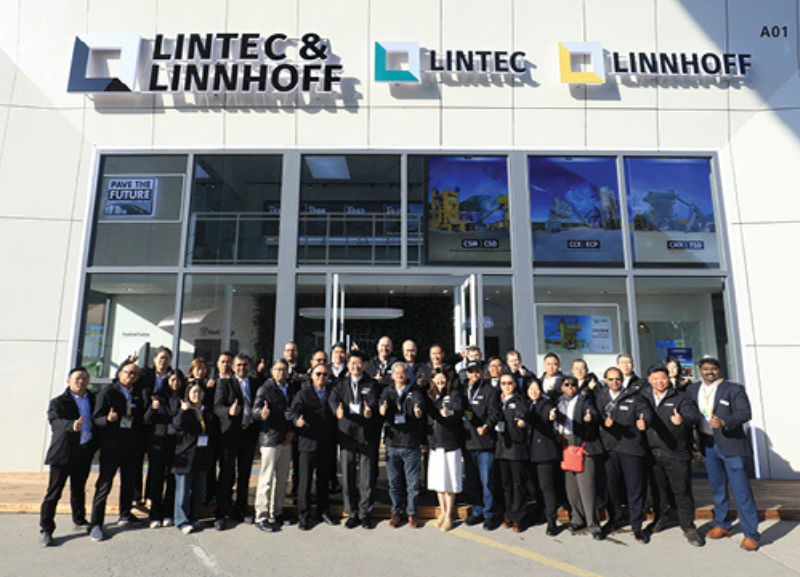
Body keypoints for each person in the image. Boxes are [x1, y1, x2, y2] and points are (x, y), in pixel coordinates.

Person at [686, 357, 760, 551]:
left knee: (741, 490)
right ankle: (723, 524)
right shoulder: (693, 389)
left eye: (713, 368)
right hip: (708, 445)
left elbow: (745, 413)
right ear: (700, 371)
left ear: (719, 370)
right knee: (717, 487)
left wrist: (724, 422)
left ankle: (751, 534)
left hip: (731, 445)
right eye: (705, 369)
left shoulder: (734, 389)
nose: (709, 372)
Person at [640, 364, 704, 547]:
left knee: (682, 491)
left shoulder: (681, 397)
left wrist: (682, 420)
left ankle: (688, 527)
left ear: (669, 379)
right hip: (652, 451)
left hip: (676, 452)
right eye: (655, 379)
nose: (659, 382)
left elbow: (694, 416)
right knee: (658, 490)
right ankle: (661, 518)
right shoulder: (643, 396)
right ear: (649, 380)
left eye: (663, 378)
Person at [89, 361, 147, 542]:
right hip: (112, 446)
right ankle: (96, 524)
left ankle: (125, 514)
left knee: (128, 482)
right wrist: (107, 419)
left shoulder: (138, 393)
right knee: (104, 485)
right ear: (120, 373)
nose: (132, 376)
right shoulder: (107, 393)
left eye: (136, 374)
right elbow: (96, 419)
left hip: (131, 446)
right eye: (129, 372)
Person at [39, 367, 98, 546]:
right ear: (68, 381)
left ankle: (79, 520)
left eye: (85, 378)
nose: (81, 381)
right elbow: (55, 421)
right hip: (63, 453)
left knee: (79, 489)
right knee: (54, 493)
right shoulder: (58, 402)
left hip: (84, 451)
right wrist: (71, 425)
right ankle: (46, 529)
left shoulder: (93, 399)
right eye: (78, 378)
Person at [596, 367, 652, 543]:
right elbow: (595, 415)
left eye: (618, 379)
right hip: (609, 448)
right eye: (611, 379)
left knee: (634, 487)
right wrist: (603, 422)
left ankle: (636, 524)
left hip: (631, 448)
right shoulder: (600, 396)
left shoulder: (634, 396)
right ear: (605, 380)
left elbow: (645, 412)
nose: (615, 382)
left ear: (622, 380)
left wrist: (645, 421)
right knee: (611, 487)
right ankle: (614, 518)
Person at [329, 350, 381, 529]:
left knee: (367, 476)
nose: (355, 366)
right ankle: (351, 512)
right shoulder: (341, 383)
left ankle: (365, 512)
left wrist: (370, 410)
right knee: (348, 473)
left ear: (364, 365)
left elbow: (374, 401)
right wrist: (336, 410)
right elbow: (333, 399)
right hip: (347, 434)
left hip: (366, 434)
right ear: (348, 365)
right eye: (352, 363)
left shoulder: (371, 384)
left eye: (359, 363)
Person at [213, 353, 263, 530]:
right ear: (233, 367)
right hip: (230, 434)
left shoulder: (256, 384)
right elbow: (217, 407)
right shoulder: (225, 383)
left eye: (245, 364)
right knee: (227, 472)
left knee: (245, 472)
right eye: (239, 365)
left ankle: (240, 509)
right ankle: (221, 512)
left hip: (249, 433)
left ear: (250, 366)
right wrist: (229, 411)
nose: (242, 368)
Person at [551, 376, 604, 539]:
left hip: (582, 444)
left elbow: (593, 413)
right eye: (566, 385)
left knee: (586, 488)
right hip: (565, 444)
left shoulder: (583, 399)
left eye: (573, 385)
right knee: (571, 488)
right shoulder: (559, 402)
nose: (570, 387)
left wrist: (590, 418)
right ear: (562, 387)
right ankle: (577, 519)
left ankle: (593, 525)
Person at [291, 363, 338, 530]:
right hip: (308, 443)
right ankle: (304, 515)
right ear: (311, 376)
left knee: (323, 480)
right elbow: (294, 411)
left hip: (326, 442)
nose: (321, 377)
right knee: (305, 481)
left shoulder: (332, 392)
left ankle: (323, 511)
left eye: (325, 374)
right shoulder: (304, 393)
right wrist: (297, 420)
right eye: (318, 374)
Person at [252, 359, 297, 532]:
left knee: (282, 479)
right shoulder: (265, 388)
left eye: (284, 369)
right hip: (270, 439)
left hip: (286, 439)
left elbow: (293, 411)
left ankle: (277, 512)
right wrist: (261, 413)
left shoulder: (291, 388)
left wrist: (293, 431)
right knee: (267, 479)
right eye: (278, 369)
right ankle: (261, 515)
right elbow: (255, 410)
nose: (281, 372)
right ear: (272, 371)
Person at [380, 363, 425, 528]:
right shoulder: (387, 391)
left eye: (403, 372)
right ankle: (397, 511)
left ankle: (412, 512)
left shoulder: (414, 391)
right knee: (394, 483)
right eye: (397, 373)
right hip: (392, 443)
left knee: (412, 483)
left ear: (407, 375)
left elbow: (419, 404)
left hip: (410, 443)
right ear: (392, 376)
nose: (400, 375)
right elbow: (381, 405)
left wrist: (418, 410)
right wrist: (382, 409)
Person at [144, 369, 187, 528]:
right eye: (172, 379)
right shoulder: (159, 397)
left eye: (178, 380)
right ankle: (155, 514)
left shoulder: (184, 399)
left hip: (177, 443)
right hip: (159, 443)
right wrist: (154, 408)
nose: (175, 383)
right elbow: (146, 419)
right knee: (156, 479)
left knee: (172, 479)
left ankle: (168, 513)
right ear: (167, 382)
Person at [462, 360, 501, 530]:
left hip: (485, 443)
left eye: (477, 371)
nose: (474, 375)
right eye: (471, 372)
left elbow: (495, 413)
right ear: (467, 373)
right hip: (468, 443)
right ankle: (476, 511)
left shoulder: (490, 391)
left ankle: (489, 514)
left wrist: (487, 426)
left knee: (487, 482)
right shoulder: (463, 389)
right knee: (472, 482)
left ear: (482, 373)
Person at [424, 369, 465, 532]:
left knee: (450, 482)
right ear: (432, 380)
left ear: (447, 380)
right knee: (439, 483)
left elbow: (459, 409)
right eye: (437, 378)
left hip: (450, 444)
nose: (440, 381)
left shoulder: (453, 393)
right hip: (435, 444)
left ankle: (449, 516)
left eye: (442, 378)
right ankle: (442, 511)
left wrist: (450, 412)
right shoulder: (429, 395)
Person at [173, 382, 216, 534]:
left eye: (200, 392)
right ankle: (181, 521)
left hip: (202, 456)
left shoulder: (207, 412)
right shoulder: (184, 410)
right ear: (188, 394)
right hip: (186, 455)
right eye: (194, 392)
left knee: (199, 490)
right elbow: (177, 425)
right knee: (183, 492)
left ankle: (194, 517)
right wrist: (183, 411)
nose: (197, 395)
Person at [138, 346, 173, 507]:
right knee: (139, 460)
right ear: (155, 359)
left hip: (161, 422)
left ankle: (152, 495)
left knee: (157, 463)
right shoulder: (146, 374)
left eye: (166, 358)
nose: (163, 361)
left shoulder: (172, 376)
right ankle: (138, 495)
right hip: (144, 419)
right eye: (161, 358)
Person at [495, 374, 529, 532]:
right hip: (500, 448)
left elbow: (523, 414)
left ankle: (518, 517)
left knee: (518, 484)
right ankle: (508, 514)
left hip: (515, 448)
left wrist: (521, 421)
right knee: (506, 484)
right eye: (503, 383)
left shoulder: (519, 400)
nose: (506, 386)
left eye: (509, 383)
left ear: (515, 384)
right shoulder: (497, 400)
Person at [526, 380, 560, 536]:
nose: (533, 391)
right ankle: (540, 514)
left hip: (544, 452)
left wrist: (551, 415)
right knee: (536, 487)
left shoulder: (544, 403)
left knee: (547, 487)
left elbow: (549, 414)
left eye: (536, 388)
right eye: (531, 388)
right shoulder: (527, 404)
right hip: (530, 452)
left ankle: (552, 521)